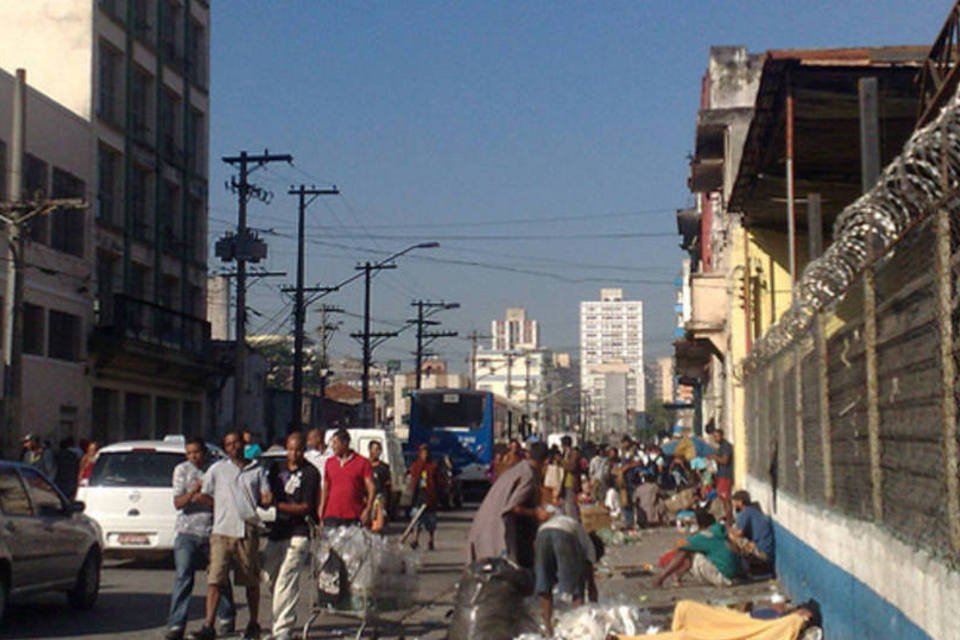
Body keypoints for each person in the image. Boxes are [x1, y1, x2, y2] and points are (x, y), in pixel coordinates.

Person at [189, 431, 271, 640]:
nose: (234, 447)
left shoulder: (257, 470)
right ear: (225, 448)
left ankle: (253, 623)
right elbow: (204, 493)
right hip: (221, 531)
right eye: (229, 444)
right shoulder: (218, 469)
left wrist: (266, 499)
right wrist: (220, 505)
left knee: (251, 581)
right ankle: (209, 624)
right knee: (215, 579)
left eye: (236, 443)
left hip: (247, 530)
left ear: (243, 444)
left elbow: (265, 496)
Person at [165, 437, 235, 640]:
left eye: (196, 452)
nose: (193, 456)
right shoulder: (182, 470)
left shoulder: (216, 470)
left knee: (218, 576)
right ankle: (176, 624)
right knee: (183, 576)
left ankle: (226, 616)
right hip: (187, 532)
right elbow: (178, 502)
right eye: (189, 453)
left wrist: (203, 499)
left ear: (204, 452)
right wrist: (193, 493)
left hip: (213, 531)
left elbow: (223, 502)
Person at [262, 432, 319, 640]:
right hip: (279, 530)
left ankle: (282, 630)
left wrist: (278, 505)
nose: (293, 454)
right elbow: (266, 493)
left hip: (299, 532)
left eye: (298, 450)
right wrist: (265, 499)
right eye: (290, 449)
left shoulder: (311, 473)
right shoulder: (277, 469)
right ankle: (280, 622)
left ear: (304, 450)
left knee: (287, 579)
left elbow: (306, 507)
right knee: (268, 575)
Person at [467, 441, 550, 569]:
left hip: (483, 528)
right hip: (496, 533)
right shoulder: (528, 475)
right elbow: (513, 507)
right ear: (546, 462)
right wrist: (536, 513)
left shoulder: (519, 469)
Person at [535, 509, 602, 636]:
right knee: (577, 586)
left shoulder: (577, 529)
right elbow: (591, 583)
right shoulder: (590, 546)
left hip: (542, 533)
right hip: (564, 534)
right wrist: (595, 608)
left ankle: (548, 629)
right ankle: (581, 627)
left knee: (545, 583)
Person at [654, 511, 741, 588]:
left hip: (724, 578)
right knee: (693, 549)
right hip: (735, 575)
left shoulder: (705, 535)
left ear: (701, 525)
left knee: (687, 550)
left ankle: (660, 578)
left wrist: (695, 536)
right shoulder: (720, 530)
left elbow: (680, 545)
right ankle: (677, 575)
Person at [318, 429, 375, 527]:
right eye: (332, 443)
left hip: (354, 514)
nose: (332, 446)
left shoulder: (362, 462)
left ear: (345, 443)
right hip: (332, 514)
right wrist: (322, 507)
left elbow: (371, 488)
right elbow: (326, 487)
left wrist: (368, 509)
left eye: (335, 443)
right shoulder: (329, 463)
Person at [730, 490, 775, 574]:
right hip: (766, 549)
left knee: (732, 538)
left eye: (735, 501)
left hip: (762, 552)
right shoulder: (753, 511)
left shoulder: (745, 513)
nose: (733, 504)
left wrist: (728, 530)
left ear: (740, 502)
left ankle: (740, 567)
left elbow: (739, 534)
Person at [407, 444, 442, 550]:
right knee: (416, 520)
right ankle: (415, 540)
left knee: (431, 522)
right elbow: (412, 479)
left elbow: (439, 481)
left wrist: (437, 493)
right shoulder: (416, 466)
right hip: (418, 498)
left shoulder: (433, 467)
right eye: (422, 453)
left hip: (430, 498)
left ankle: (431, 540)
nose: (424, 456)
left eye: (426, 453)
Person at [710, 429, 734, 521]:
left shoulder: (726, 447)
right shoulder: (720, 447)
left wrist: (715, 457)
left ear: (722, 435)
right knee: (723, 498)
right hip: (721, 475)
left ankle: (729, 519)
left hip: (726, 476)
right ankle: (728, 518)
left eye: (716, 436)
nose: (715, 438)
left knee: (726, 498)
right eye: (714, 437)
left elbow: (725, 460)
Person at [368, 440, 392, 527]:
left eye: (379, 450)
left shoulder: (384, 467)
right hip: (366, 500)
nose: (377, 452)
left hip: (379, 499)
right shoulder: (365, 465)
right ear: (370, 450)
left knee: (378, 525)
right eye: (375, 449)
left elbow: (388, 485)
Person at [559, 436, 582, 518]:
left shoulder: (573, 453)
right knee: (563, 505)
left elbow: (572, 466)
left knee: (570, 506)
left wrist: (561, 462)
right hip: (564, 483)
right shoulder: (564, 453)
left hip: (571, 482)